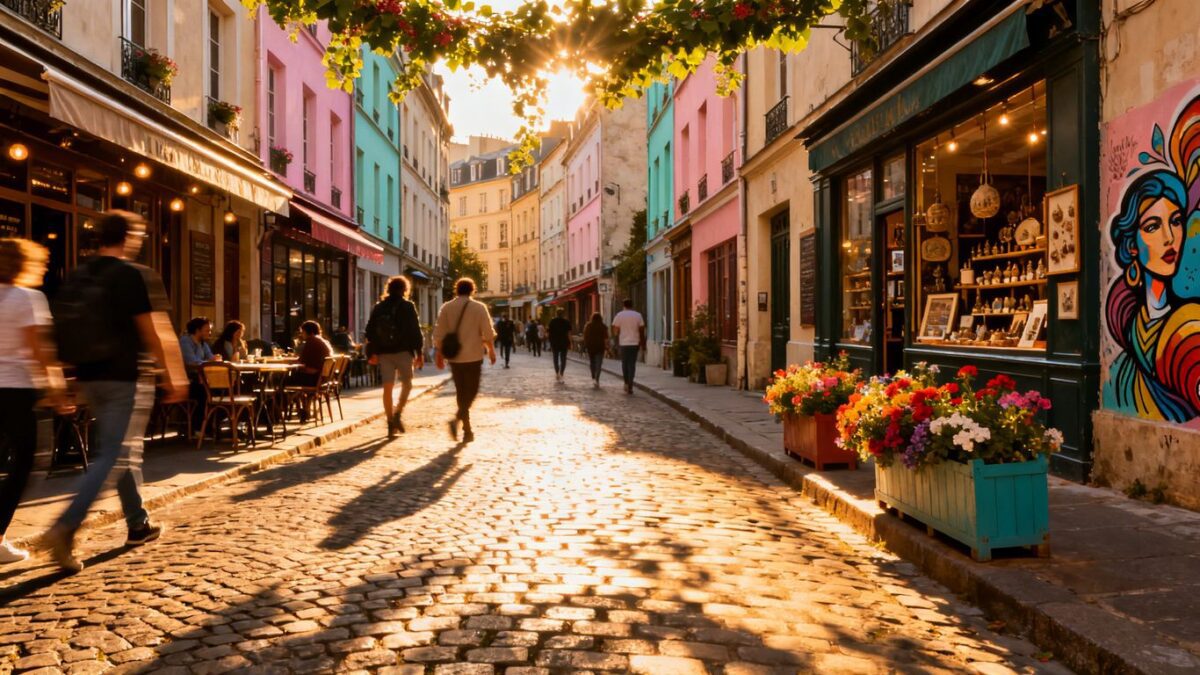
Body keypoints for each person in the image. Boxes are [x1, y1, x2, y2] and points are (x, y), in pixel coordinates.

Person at [45, 210, 189, 573]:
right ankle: (65, 525)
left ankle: (138, 524)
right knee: (112, 455)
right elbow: (154, 331)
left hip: (88, 378)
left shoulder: (80, 274)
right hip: (124, 377)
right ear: (129, 237)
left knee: (123, 451)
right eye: (138, 236)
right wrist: (173, 375)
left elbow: (55, 331)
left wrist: (59, 383)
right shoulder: (132, 275)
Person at [0, 239, 71, 564]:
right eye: (40, 263)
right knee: (27, 463)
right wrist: (57, 390)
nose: (44, 269)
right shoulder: (27, 299)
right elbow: (41, 351)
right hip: (17, 391)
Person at [433, 278, 495, 443]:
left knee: (461, 392)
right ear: (472, 290)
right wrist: (491, 350)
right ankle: (459, 422)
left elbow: (439, 333)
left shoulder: (446, 307)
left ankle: (466, 429)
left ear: (456, 290)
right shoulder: (479, 308)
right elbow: (488, 333)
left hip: (455, 357)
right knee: (472, 391)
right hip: (474, 356)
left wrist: (439, 354)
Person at [365, 275, 424, 438]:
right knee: (407, 384)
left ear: (388, 289)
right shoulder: (408, 306)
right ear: (405, 289)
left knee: (387, 388)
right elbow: (415, 331)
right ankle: (398, 413)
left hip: (384, 354)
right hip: (404, 352)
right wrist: (419, 353)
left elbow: (369, 331)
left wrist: (373, 352)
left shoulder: (379, 307)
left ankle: (390, 422)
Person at [611, 298, 646, 394]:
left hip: (624, 343)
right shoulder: (638, 315)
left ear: (624, 305)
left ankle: (626, 382)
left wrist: (616, 339)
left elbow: (615, 329)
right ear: (632, 305)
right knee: (632, 364)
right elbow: (642, 330)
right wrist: (643, 343)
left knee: (625, 364)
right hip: (635, 343)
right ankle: (630, 383)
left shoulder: (619, 315)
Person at [291, 320, 332, 388]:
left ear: (308, 332)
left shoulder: (311, 341)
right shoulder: (321, 341)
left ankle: (283, 398)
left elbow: (302, 361)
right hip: (321, 378)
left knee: (282, 380)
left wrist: (289, 362)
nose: (301, 334)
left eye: (302, 332)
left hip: (312, 378)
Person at [583, 312, 609, 389]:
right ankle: (597, 379)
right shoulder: (603, 326)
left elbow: (585, 336)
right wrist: (607, 347)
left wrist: (586, 345)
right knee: (599, 364)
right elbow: (606, 338)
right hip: (600, 347)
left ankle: (593, 376)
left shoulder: (588, 326)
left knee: (592, 362)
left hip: (591, 347)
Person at [548, 309, 572, 382]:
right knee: (563, 358)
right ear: (563, 314)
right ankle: (561, 372)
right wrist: (570, 343)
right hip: (564, 342)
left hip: (555, 343)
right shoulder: (566, 322)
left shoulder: (552, 321)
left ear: (556, 313)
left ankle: (557, 372)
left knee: (555, 358)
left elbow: (549, 333)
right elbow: (569, 334)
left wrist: (550, 342)